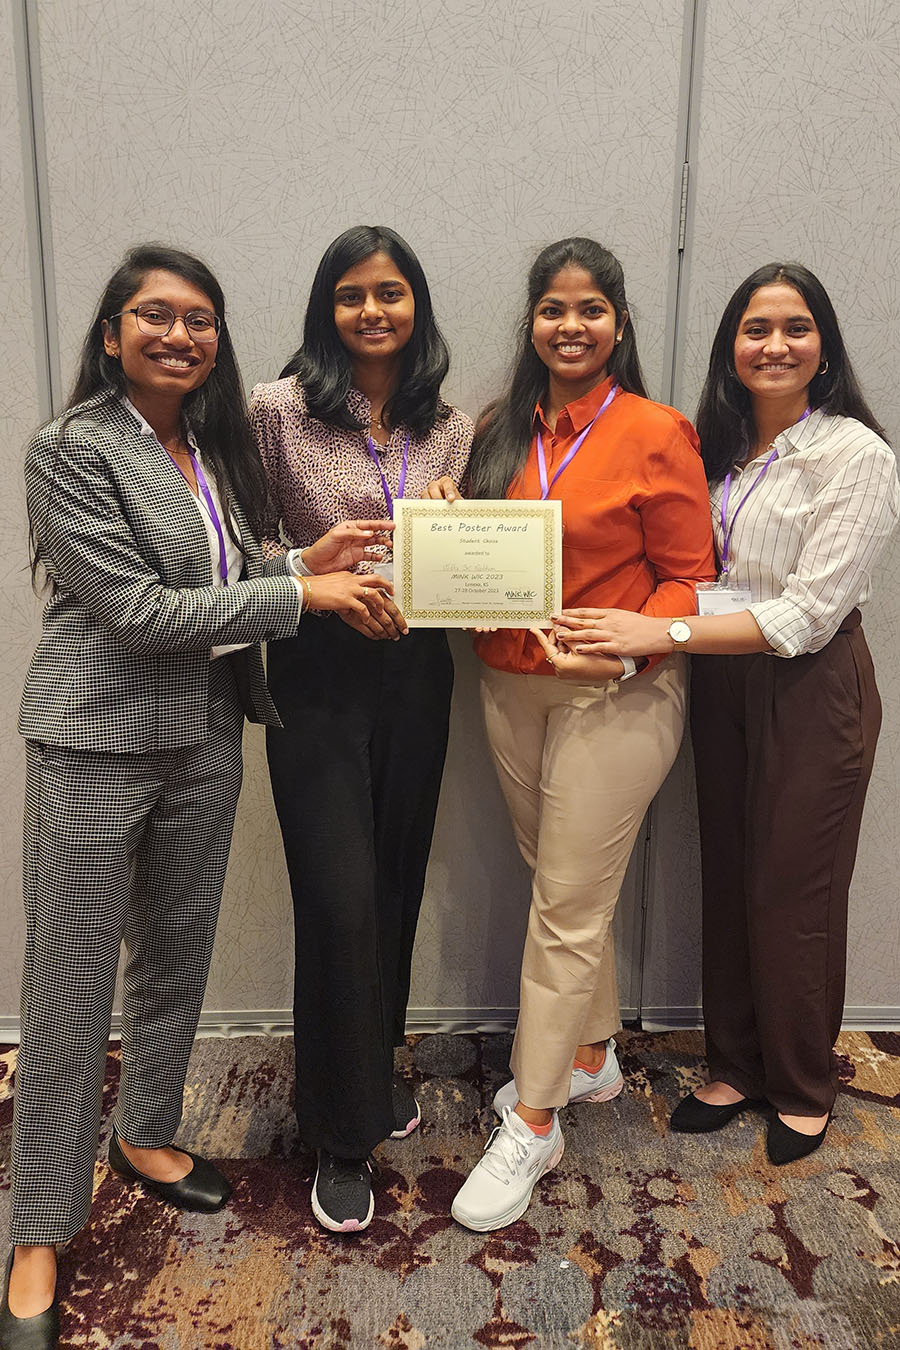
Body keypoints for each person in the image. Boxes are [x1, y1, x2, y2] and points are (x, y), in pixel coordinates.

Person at [0, 244, 393, 1350]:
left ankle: (148, 1134)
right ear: (115, 330)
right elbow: (140, 611)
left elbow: (235, 563)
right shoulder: (71, 449)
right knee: (71, 980)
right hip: (93, 736)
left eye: (201, 320)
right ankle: (37, 1231)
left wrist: (301, 553)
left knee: (177, 954)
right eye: (156, 316)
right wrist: (302, 593)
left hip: (206, 735)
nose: (180, 335)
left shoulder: (211, 449)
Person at [546, 262, 899, 1165]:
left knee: (795, 888)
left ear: (824, 346)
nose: (774, 345)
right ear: (729, 347)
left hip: (811, 685)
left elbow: (805, 615)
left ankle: (803, 1083)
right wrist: (627, 634)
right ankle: (736, 1065)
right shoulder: (719, 448)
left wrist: (655, 627)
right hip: (719, 682)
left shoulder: (854, 454)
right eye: (755, 329)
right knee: (731, 874)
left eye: (794, 328)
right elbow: (697, 574)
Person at [429, 237, 715, 1232]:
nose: (571, 325)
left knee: (562, 910)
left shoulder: (655, 431)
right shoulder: (503, 428)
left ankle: (536, 1117)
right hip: (507, 688)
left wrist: (636, 650)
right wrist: (445, 529)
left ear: (619, 324)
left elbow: (689, 578)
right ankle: (591, 1060)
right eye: (554, 309)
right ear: (533, 324)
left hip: (615, 698)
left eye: (591, 309)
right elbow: (479, 557)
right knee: (561, 886)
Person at [248, 225, 473, 1233]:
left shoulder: (453, 427)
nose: (372, 311)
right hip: (317, 668)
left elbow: (479, 568)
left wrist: (457, 520)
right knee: (338, 898)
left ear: (416, 305)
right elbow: (240, 543)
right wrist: (320, 575)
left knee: (393, 879)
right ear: (325, 308)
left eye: (390, 293)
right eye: (351, 294)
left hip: (418, 669)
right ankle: (339, 1138)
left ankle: (371, 1073)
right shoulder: (275, 412)